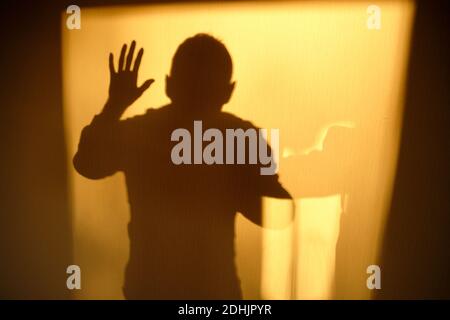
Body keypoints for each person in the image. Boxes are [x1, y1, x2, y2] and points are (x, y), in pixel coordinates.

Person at [73, 34, 291, 299]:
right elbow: (282, 213)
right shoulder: (242, 139)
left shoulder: (142, 133)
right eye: (195, 88)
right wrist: (230, 184)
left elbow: (87, 164)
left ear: (169, 85)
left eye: (203, 89)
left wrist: (115, 105)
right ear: (228, 92)